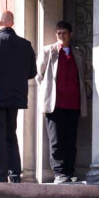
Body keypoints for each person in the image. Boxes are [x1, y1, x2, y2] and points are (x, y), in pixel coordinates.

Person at [0, 11, 37, 183]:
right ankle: (15, 174)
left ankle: (2, 174)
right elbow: (32, 72)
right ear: (12, 23)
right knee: (11, 134)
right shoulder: (25, 44)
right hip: (15, 97)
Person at [37, 20, 87, 184]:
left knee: (70, 141)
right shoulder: (48, 51)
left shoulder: (78, 53)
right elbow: (39, 75)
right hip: (55, 105)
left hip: (73, 104)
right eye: (59, 33)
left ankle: (69, 172)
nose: (61, 36)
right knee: (56, 141)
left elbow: (82, 73)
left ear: (70, 34)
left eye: (64, 33)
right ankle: (59, 173)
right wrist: (47, 93)